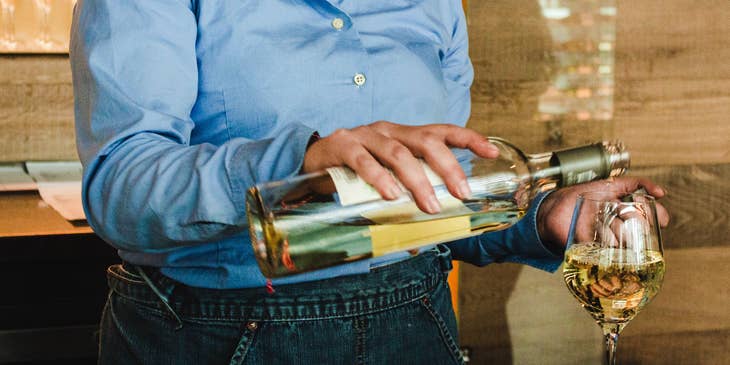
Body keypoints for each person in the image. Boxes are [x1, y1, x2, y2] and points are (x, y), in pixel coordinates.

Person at [70, 1, 669, 364]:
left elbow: (428, 207)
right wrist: (302, 160)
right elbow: (119, 187)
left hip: (414, 328)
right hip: (215, 335)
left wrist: (542, 217)